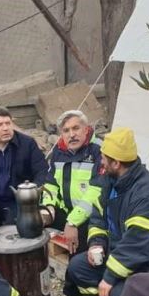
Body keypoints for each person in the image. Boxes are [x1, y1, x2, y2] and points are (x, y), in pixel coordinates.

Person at [60, 127, 149, 296]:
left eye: (104, 158)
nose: (100, 162)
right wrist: (96, 243)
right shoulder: (111, 181)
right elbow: (98, 216)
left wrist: (110, 278)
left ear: (116, 163)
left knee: (117, 295)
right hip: (120, 253)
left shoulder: (146, 192)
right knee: (78, 267)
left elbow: (137, 245)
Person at [0, 106, 52, 225]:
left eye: (8, 123)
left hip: (22, 202)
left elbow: (42, 171)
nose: (5, 128)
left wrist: (31, 195)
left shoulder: (27, 144)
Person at [40, 109, 103, 254]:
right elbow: (51, 183)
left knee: (76, 258)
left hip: (91, 217)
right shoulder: (59, 151)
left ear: (86, 129)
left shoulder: (98, 151)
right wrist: (48, 206)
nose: (71, 134)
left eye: (76, 128)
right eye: (66, 130)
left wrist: (73, 222)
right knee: (32, 224)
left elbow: (96, 191)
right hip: (67, 211)